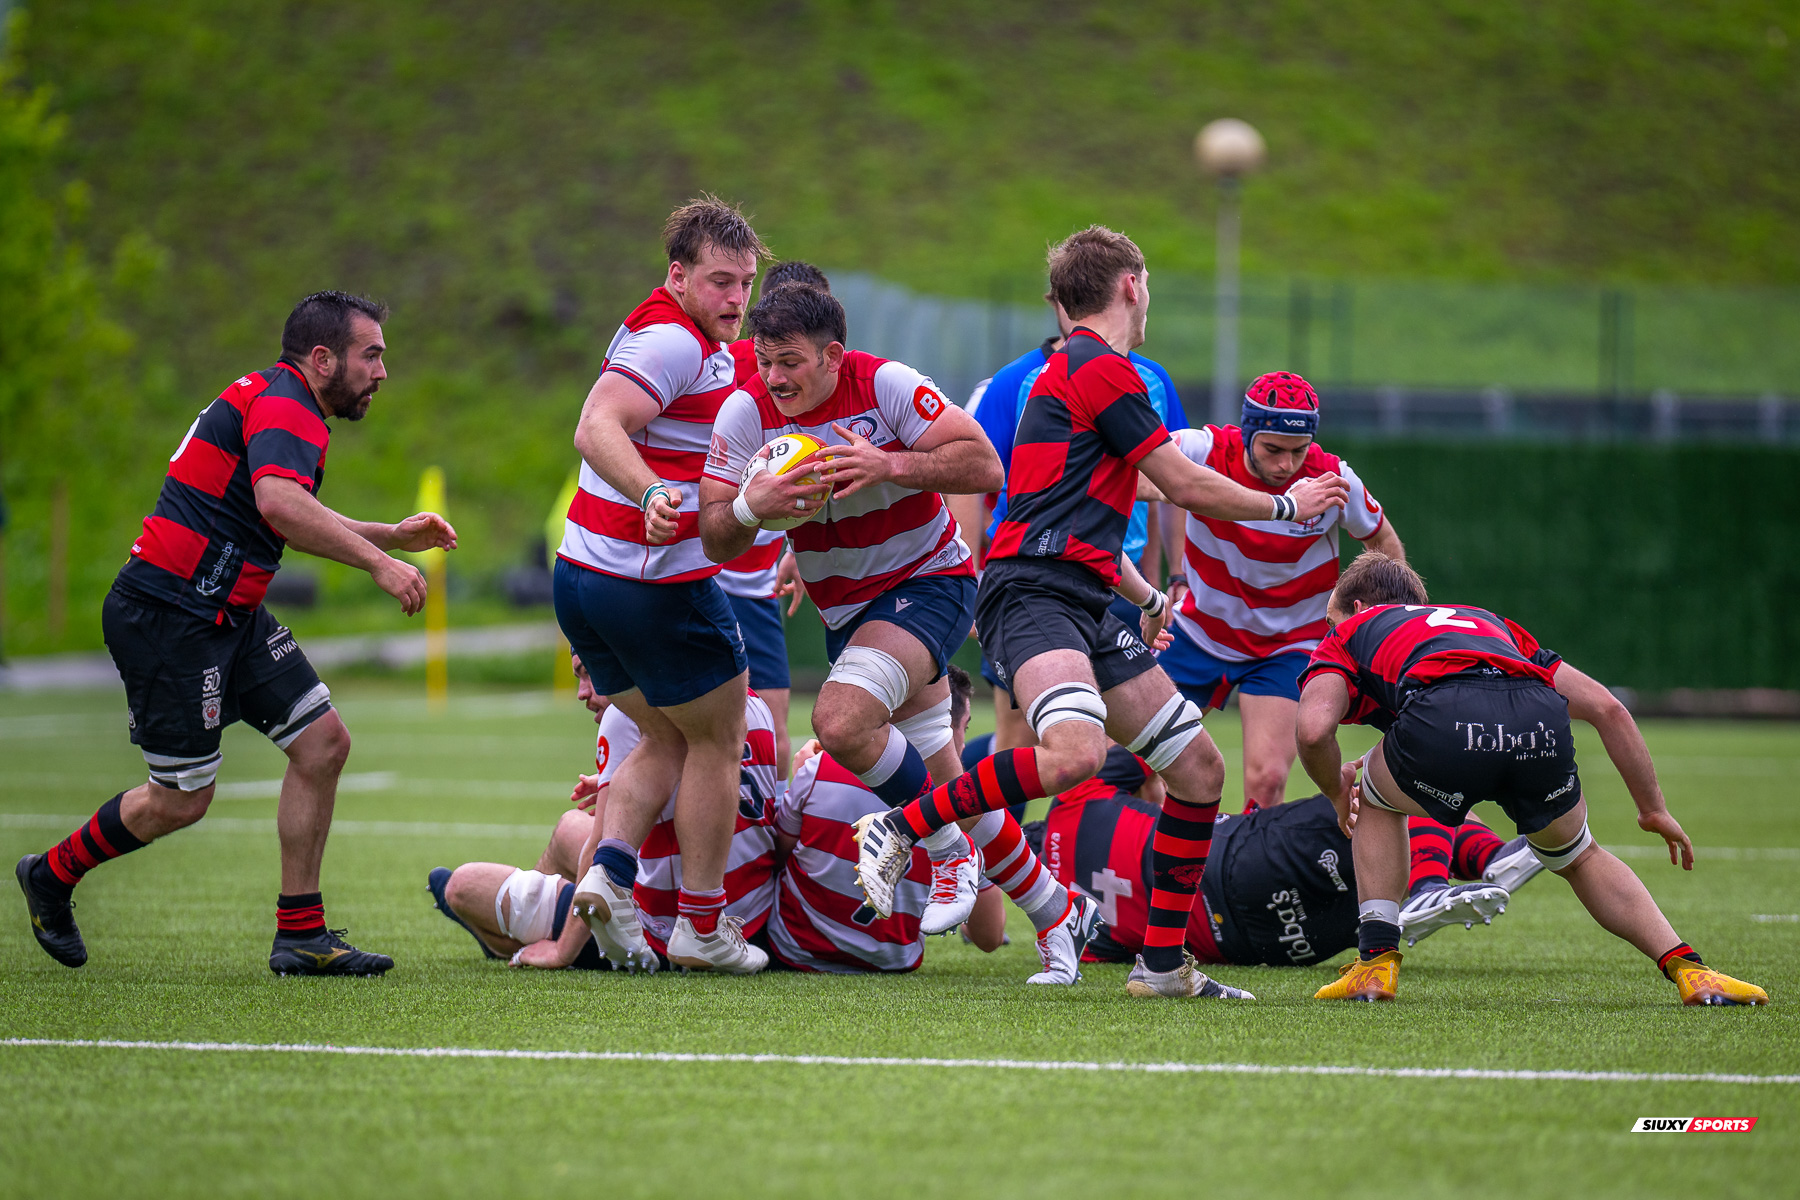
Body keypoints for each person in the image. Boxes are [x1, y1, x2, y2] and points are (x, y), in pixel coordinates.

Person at [856, 226, 1350, 999]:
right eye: (1147, 283)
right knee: (1077, 754)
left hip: (1085, 594)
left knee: (1197, 771)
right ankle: (904, 824)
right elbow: (1183, 484)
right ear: (1132, 285)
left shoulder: (1085, 373)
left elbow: (1101, 503)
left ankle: (1160, 969)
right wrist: (1286, 503)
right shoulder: (1100, 369)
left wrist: (1151, 597)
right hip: (1032, 592)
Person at [15, 291, 455, 976]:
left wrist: (388, 533)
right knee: (180, 801)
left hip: (228, 614)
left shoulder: (281, 400)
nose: (382, 371)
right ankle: (51, 873)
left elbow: (282, 501)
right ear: (321, 358)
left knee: (322, 742)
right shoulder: (286, 405)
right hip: (171, 616)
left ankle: (302, 934)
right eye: (371, 354)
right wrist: (380, 563)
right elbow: (283, 506)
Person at [1295, 551, 1769, 1006]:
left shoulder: (1354, 630)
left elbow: (1314, 732)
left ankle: (1376, 962)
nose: (1330, 631)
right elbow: (1608, 709)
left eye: (1332, 620)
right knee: (1579, 854)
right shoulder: (1488, 622)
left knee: (1375, 795)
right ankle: (1691, 969)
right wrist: (1653, 810)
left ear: (1357, 608)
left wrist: (1339, 792)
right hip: (1536, 722)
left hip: (1444, 721)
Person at [699, 283, 1004, 937]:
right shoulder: (745, 413)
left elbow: (985, 466)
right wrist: (757, 507)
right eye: (765, 359)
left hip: (930, 579)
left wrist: (887, 461)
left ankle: (950, 854)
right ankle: (1060, 915)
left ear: (833, 355)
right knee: (942, 766)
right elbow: (715, 531)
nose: (773, 376)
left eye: (790, 362)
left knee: (837, 722)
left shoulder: (885, 385)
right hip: (849, 615)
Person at [555, 196, 769, 974]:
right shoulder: (672, 339)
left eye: (745, 282)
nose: (736, 299)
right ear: (677, 277)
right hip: (648, 581)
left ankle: (610, 872)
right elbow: (595, 425)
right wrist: (651, 492)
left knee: (667, 734)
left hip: (582, 580)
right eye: (720, 281)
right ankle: (702, 927)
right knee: (721, 732)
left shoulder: (681, 332)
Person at [1030, 749, 1542, 972]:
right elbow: (1154, 740)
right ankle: (1443, 879)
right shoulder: (1079, 797)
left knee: (1379, 870)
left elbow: (1108, 951)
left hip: (1271, 945)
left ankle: (1491, 862)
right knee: (1396, 792)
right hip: (1237, 857)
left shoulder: (1067, 918)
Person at [1152, 370, 1404, 812]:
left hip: (1287, 647)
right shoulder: (1200, 450)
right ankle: (1135, 868)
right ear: (1247, 433)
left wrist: (1394, 624)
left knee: (1267, 780)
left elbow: (1383, 541)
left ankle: (1249, 879)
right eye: (1272, 449)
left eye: (1298, 450)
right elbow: (1131, 481)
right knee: (1130, 762)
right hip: (1197, 634)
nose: (1286, 464)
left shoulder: (1333, 479)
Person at [952, 296, 1188, 757]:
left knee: (1130, 756)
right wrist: (971, 580)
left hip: (1119, 580)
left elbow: (1170, 483)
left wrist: (1166, 580)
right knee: (1025, 743)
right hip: (1032, 583)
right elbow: (968, 481)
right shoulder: (1012, 381)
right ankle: (934, 820)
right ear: (1056, 303)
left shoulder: (1151, 379)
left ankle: (1064, 832)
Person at [770, 667, 1074, 978]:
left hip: (792, 949)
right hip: (891, 963)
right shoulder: (965, 812)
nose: (965, 744)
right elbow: (990, 937)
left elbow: (779, 852)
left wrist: (802, 778)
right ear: (941, 726)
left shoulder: (818, 766)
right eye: (964, 728)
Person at [716, 260, 836, 780]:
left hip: (759, 577)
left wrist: (796, 546)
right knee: (704, 726)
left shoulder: (824, 374)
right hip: (707, 570)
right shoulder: (729, 368)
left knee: (774, 726)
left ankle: (768, 844)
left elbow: (801, 470)